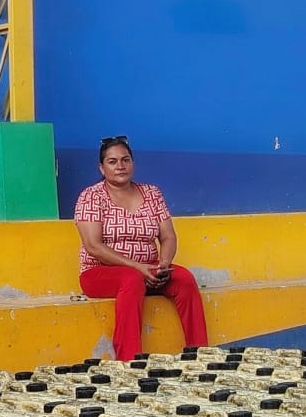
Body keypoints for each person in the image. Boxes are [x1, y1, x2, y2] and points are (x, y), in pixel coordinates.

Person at [74, 136, 208, 361]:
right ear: (102, 168)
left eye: (125, 160)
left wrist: (163, 264)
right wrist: (138, 267)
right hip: (99, 273)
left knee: (184, 278)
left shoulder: (152, 193)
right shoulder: (91, 197)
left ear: (133, 163)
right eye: (112, 161)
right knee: (132, 279)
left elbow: (168, 236)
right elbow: (93, 246)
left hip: (148, 270)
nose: (120, 166)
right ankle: (129, 361)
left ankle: (201, 355)